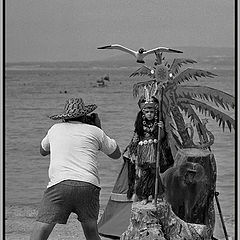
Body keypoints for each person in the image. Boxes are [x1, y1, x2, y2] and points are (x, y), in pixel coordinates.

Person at [30, 97, 121, 240]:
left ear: (64, 118)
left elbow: (42, 151)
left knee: (41, 229)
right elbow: (116, 154)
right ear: (85, 115)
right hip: (88, 185)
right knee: (91, 232)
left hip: (59, 185)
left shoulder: (55, 129)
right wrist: (99, 129)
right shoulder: (95, 131)